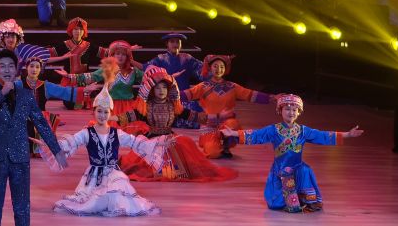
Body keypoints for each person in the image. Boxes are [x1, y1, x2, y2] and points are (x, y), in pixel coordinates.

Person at [0, 48, 68, 226]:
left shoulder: (27, 95)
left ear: (17, 69)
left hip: (19, 156)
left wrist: (56, 150)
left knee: (22, 206)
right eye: (2, 66)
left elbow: (41, 123)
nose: (7, 70)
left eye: (10, 66)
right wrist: (2, 93)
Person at [220, 94, 363, 212]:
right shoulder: (274, 130)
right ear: (280, 111)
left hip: (298, 168)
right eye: (287, 109)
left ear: (299, 112)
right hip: (281, 170)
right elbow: (256, 135)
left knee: (305, 170)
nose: (291, 112)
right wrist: (233, 133)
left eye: (294, 110)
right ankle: (290, 198)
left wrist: (347, 135)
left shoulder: (303, 131)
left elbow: (323, 135)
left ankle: (305, 198)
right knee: (276, 205)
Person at [120, 67, 235, 182]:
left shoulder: (174, 107)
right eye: (157, 87)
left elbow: (196, 117)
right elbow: (126, 117)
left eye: (164, 87)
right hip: (151, 140)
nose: (161, 90)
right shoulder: (146, 108)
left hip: (170, 139)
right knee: (139, 165)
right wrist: (110, 118)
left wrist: (219, 117)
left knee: (185, 144)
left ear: (169, 89)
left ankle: (173, 170)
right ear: (151, 90)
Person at [51, 99, 160, 217]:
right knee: (91, 202)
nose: (102, 115)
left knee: (117, 187)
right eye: (99, 111)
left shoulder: (117, 133)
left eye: (106, 112)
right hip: (94, 177)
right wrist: (50, 144)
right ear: (93, 112)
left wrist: (159, 143)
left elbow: (135, 142)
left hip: (113, 173)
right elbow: (71, 142)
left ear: (110, 114)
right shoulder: (86, 133)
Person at [184, 54, 270, 155]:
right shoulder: (203, 87)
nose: (219, 69)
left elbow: (250, 95)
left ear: (225, 69)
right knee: (213, 153)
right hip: (209, 125)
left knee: (233, 124)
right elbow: (186, 94)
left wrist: (272, 98)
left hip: (227, 124)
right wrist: (170, 93)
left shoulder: (232, 86)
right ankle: (215, 145)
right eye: (215, 66)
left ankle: (225, 146)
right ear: (210, 68)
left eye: (222, 67)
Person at [149, 31, 205, 121]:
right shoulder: (160, 59)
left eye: (178, 42)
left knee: (195, 117)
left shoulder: (187, 58)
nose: (175, 44)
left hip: (184, 99)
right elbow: (146, 69)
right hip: (165, 98)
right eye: (172, 41)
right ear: (167, 44)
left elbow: (202, 69)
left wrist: (214, 65)